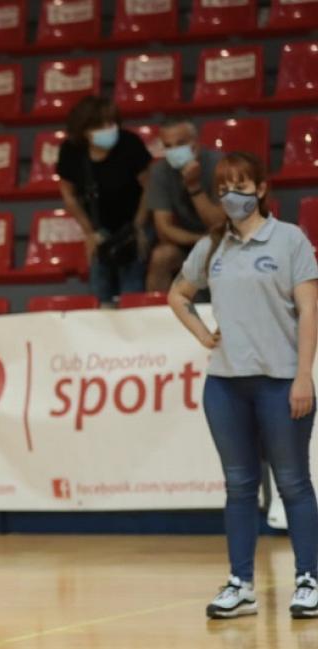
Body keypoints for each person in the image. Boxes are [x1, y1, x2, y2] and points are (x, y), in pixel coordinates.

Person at [167, 151, 318, 621]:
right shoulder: (213, 247)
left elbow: (310, 310)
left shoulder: (290, 240)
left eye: (241, 185)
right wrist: (203, 334)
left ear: (262, 188)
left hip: (280, 382)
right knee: (238, 486)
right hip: (226, 386)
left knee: (293, 482)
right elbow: (177, 294)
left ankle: (309, 579)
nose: (232, 194)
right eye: (224, 187)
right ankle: (241, 584)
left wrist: (302, 376)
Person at [56, 96, 154, 305]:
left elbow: (149, 188)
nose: (108, 129)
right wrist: (89, 232)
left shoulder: (130, 143)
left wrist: (138, 227)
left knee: (132, 281)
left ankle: (133, 321)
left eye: (111, 123)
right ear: (84, 130)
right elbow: (69, 194)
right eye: (100, 125)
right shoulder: (71, 151)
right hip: (99, 225)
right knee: (99, 283)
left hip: (133, 221)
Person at [146, 116, 226, 292]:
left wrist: (194, 187)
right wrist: (200, 240)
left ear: (195, 143)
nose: (174, 150)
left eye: (180, 143)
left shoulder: (219, 165)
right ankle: (159, 316)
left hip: (225, 240)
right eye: (168, 146)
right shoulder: (160, 171)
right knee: (161, 256)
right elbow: (163, 229)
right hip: (189, 242)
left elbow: (218, 224)